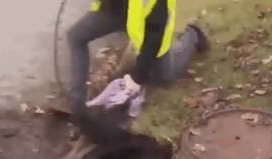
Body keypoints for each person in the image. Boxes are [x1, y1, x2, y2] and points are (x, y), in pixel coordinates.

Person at [66, 0, 208, 117]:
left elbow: (153, 40)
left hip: (150, 29)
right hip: (113, 12)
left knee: (164, 79)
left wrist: (137, 79)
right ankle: (77, 103)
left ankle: (192, 35)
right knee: (76, 36)